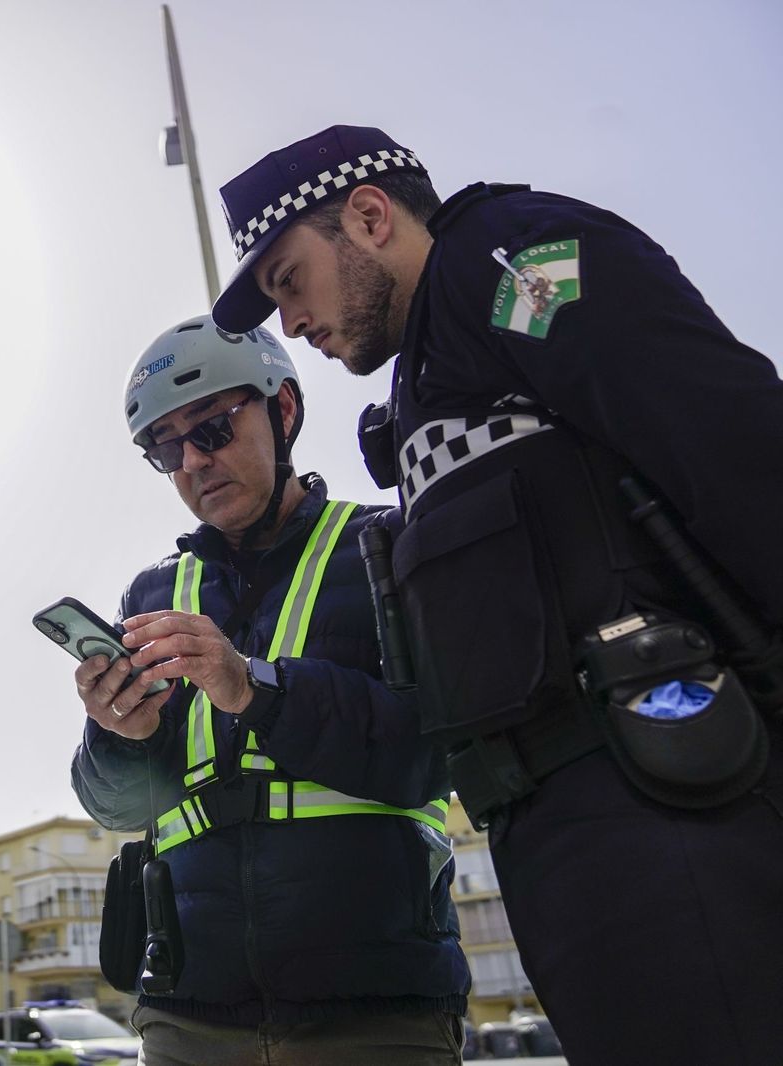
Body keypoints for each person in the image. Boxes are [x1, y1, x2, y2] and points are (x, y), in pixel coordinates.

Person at [210, 124, 783, 1066]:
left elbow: (729, 444)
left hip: (674, 794)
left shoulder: (509, 258)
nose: (292, 323)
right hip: (568, 830)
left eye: (290, 281)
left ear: (369, 216)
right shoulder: (428, 373)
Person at [69, 315, 467, 1066]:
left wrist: (254, 686)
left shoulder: (383, 546)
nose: (193, 460)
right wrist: (120, 736)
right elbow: (117, 807)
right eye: (166, 448)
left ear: (283, 409)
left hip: (373, 1007)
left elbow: (436, 755)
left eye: (211, 428)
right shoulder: (153, 593)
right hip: (188, 1010)